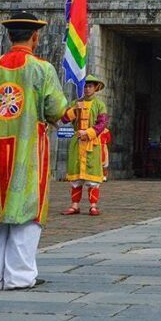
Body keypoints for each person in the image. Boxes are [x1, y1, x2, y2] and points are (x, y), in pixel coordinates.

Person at [0, 12, 69, 291]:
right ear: (35, 37)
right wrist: (68, 113)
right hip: (27, 149)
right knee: (26, 210)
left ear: (9, 35)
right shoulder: (41, 69)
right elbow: (55, 109)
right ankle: (20, 276)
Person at [61, 76, 108, 216]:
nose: (87, 89)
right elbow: (64, 119)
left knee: (92, 176)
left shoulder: (100, 105)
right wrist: (74, 109)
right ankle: (74, 205)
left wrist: (87, 132)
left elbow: (102, 123)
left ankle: (93, 205)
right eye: (85, 86)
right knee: (76, 177)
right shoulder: (76, 102)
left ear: (95, 88)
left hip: (92, 144)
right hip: (77, 143)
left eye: (90, 86)